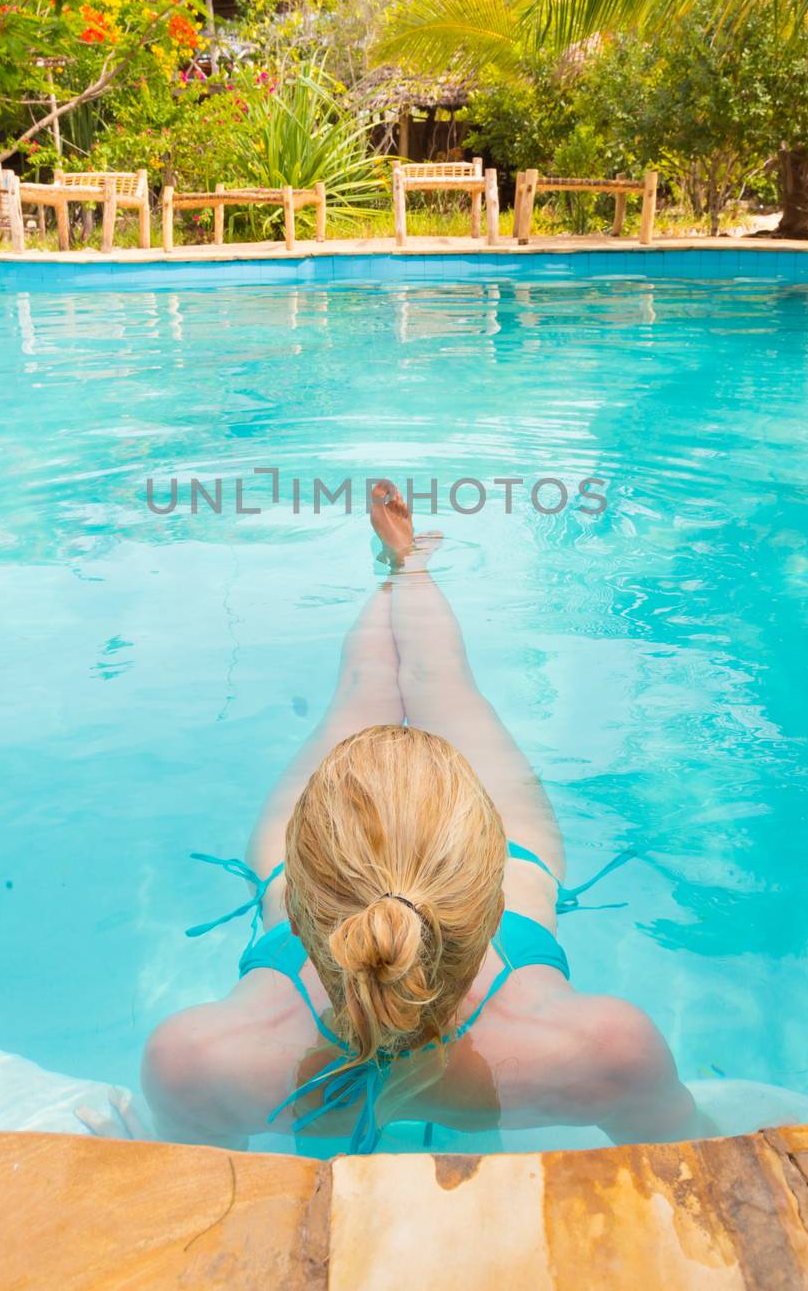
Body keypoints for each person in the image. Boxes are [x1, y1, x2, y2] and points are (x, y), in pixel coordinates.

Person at [138, 482, 709, 1153]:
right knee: (441, 678)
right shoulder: (607, 1049)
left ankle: (396, 567)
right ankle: (411, 564)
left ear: (298, 889)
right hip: (515, 957)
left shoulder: (192, 1060)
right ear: (491, 881)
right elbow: (701, 1155)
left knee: (361, 685)